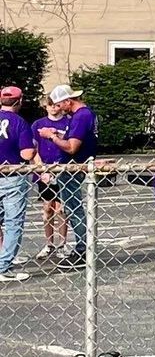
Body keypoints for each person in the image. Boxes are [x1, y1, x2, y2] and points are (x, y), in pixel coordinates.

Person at [35, 85, 97, 267]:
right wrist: (59, 134)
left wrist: (50, 137)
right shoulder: (85, 115)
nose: (60, 109)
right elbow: (76, 138)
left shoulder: (80, 116)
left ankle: (82, 249)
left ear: (68, 101)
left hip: (72, 167)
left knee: (73, 208)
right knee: (71, 207)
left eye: (60, 105)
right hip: (75, 165)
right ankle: (83, 247)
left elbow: (71, 147)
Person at [0, 84, 32, 281]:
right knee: (13, 222)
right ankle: (3, 266)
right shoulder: (19, 122)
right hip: (12, 175)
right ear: (19, 101)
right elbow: (26, 153)